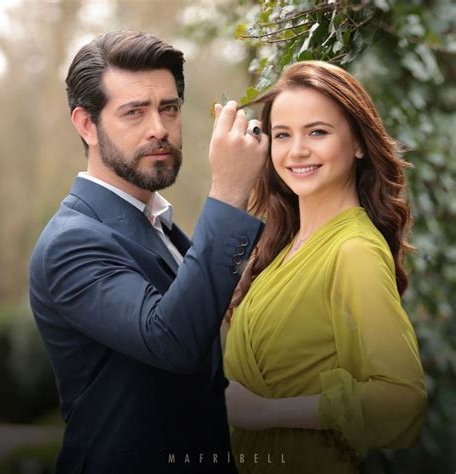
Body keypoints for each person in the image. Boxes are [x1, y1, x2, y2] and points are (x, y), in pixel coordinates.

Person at [29, 30, 269, 473]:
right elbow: (172, 341)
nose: (159, 128)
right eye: (134, 112)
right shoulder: (71, 242)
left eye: (169, 108)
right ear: (87, 125)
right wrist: (229, 191)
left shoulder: (161, 224)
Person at [223, 61, 427, 474]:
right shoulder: (283, 247)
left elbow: (402, 399)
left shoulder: (353, 251)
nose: (297, 150)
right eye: (283, 135)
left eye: (317, 131)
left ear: (357, 143)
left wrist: (266, 413)